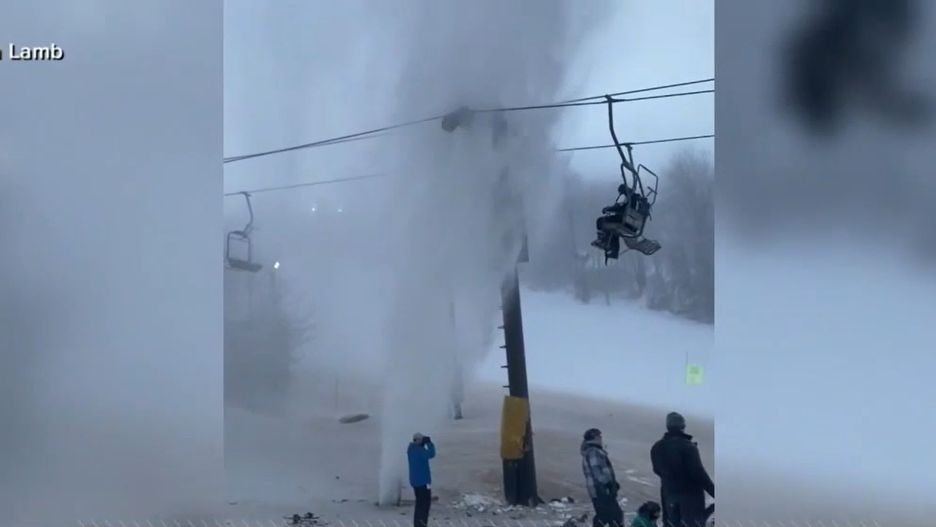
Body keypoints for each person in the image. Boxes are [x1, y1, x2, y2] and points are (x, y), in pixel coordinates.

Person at [650, 412, 714, 527]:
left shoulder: (656, 447)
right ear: (683, 426)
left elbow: (656, 470)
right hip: (691, 498)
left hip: (669, 495)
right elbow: (699, 473)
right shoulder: (688, 447)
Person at [581, 428, 624, 527]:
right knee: (613, 515)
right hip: (601, 489)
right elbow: (596, 471)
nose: (601, 438)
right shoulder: (593, 451)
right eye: (599, 436)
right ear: (594, 437)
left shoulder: (592, 451)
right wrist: (608, 483)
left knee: (606, 515)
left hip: (598, 489)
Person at [407, 433, 436, 527]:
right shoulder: (419, 451)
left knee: (419, 504)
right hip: (423, 482)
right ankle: (421, 524)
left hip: (415, 482)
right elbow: (431, 454)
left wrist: (423, 444)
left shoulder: (411, 449)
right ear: (418, 440)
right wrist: (429, 444)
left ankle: (418, 524)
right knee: (424, 505)